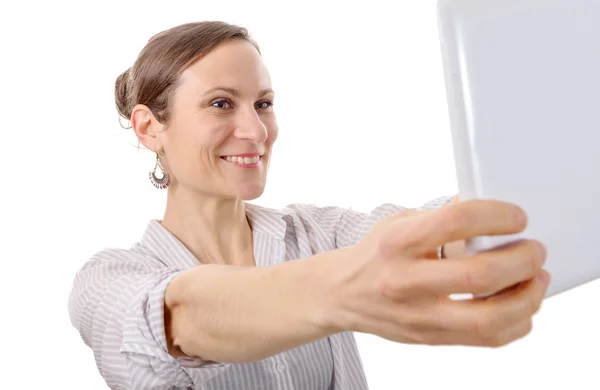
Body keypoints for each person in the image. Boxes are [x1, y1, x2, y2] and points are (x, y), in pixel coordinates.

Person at [67, 21, 550, 390]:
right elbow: (179, 317)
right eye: (220, 104)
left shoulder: (316, 233)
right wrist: (341, 292)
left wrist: (510, 204)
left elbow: (428, 231)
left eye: (263, 103)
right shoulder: (106, 281)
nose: (256, 132)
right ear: (150, 128)